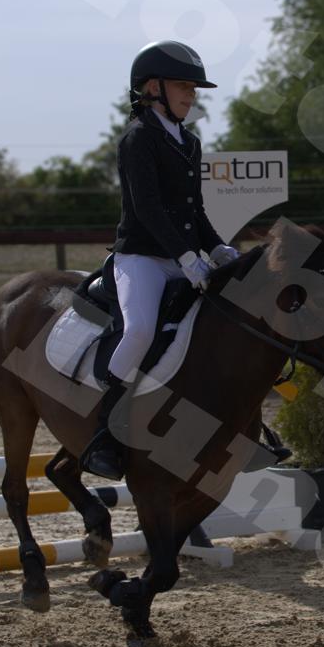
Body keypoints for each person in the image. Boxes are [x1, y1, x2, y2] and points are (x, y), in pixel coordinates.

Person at [79, 40, 242, 480]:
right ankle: (104, 433)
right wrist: (188, 257)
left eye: (193, 88)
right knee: (140, 331)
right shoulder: (138, 139)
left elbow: (195, 211)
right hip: (142, 259)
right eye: (183, 86)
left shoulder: (189, 142)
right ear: (153, 88)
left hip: (183, 257)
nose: (191, 94)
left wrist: (219, 249)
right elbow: (148, 209)